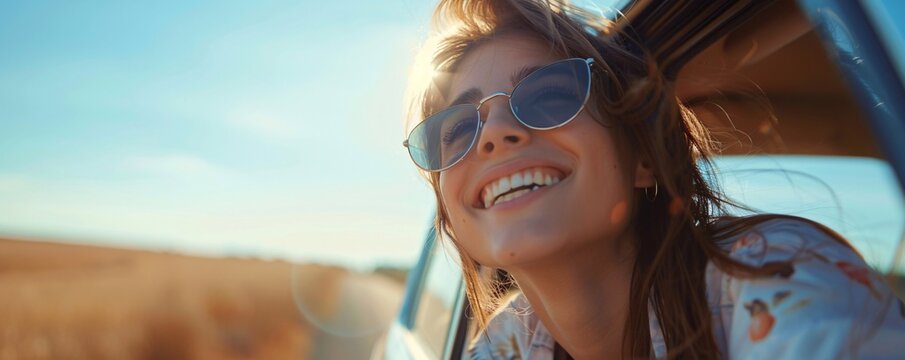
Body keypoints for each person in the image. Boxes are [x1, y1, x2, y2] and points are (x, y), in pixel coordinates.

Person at [401, 0, 905, 358]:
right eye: (456, 129)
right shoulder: (504, 343)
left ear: (643, 155)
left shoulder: (774, 276)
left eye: (551, 96)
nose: (495, 134)